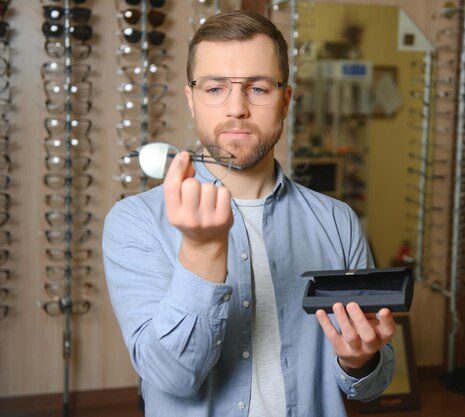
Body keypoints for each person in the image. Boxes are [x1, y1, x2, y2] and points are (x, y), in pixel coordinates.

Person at [103, 10, 396, 417]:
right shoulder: (134, 221)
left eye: (258, 88)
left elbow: (373, 386)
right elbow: (171, 377)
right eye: (215, 88)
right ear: (191, 99)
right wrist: (202, 250)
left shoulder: (337, 221)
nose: (236, 108)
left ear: (285, 100)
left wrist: (359, 360)